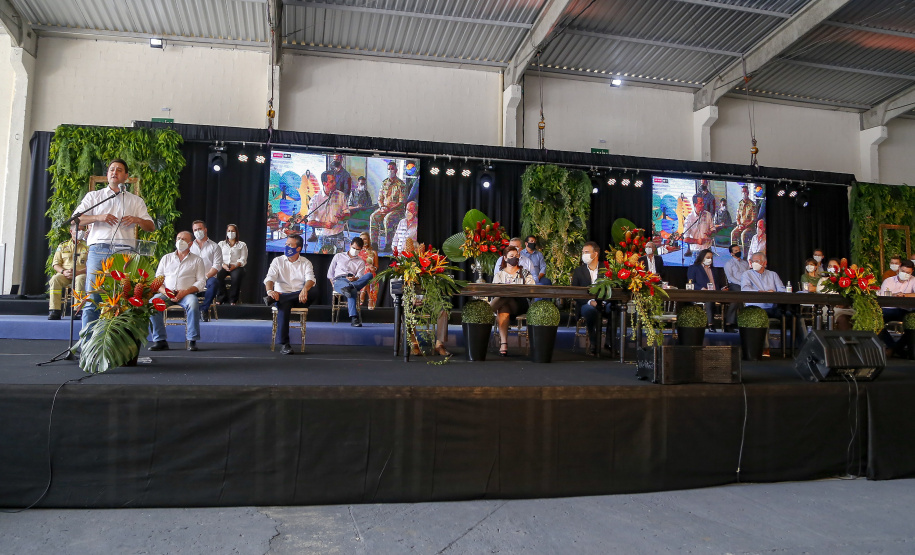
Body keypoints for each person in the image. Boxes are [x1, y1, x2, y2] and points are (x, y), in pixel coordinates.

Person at [72, 159, 155, 332]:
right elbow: (76, 220)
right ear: (107, 174)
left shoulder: (135, 201)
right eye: (111, 169)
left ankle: (119, 343)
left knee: (122, 298)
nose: (114, 172)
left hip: (125, 253)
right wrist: (98, 217)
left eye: (119, 170)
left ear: (125, 176)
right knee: (92, 298)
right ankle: (88, 345)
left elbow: (150, 226)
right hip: (99, 250)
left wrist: (138, 220)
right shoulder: (94, 197)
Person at [148, 231, 207, 352]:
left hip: (187, 294)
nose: (180, 241)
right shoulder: (166, 258)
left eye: (184, 239)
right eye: (178, 238)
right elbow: (157, 279)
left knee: (193, 303)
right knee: (152, 303)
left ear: (190, 244)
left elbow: (201, 282)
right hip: (166, 293)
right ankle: (160, 340)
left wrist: (185, 292)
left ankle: (192, 340)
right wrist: (166, 292)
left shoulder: (197, 260)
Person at [264, 235, 316, 355]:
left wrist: (304, 289)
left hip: (299, 297)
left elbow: (311, 279)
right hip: (283, 296)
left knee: (314, 290)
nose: (286, 247)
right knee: (284, 305)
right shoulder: (278, 261)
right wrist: (269, 292)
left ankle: (280, 298)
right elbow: (269, 278)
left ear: (298, 248)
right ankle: (285, 345)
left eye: (290, 245)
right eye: (286, 244)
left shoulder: (306, 262)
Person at [490, 245, 536, 356]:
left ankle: (486, 310)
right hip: (504, 303)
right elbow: (493, 291)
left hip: (520, 303)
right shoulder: (499, 274)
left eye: (516, 256)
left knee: (506, 294)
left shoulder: (524, 272)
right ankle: (504, 344)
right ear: (505, 258)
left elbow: (532, 288)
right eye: (511, 256)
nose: (514, 258)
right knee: (503, 307)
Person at [740, 252, 785, 356]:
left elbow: (782, 289)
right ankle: (765, 348)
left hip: (773, 307)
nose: (754, 263)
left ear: (764, 263)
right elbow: (745, 289)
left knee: (796, 317)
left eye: (757, 261)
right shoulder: (747, 274)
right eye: (752, 261)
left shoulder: (773, 274)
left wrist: (774, 293)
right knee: (762, 316)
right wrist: (760, 292)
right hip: (757, 308)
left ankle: (805, 346)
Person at [571, 241, 608, 356]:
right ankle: (594, 343)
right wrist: (590, 302)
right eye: (583, 252)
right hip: (585, 304)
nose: (584, 255)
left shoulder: (606, 269)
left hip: (604, 302)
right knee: (590, 311)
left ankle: (610, 343)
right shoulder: (578, 271)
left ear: (595, 254)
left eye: (586, 252)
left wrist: (604, 301)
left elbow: (611, 288)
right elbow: (575, 293)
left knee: (614, 309)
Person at [328, 236, 374, 327]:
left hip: (353, 281)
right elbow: (330, 274)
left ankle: (350, 286)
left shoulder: (360, 261)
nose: (355, 250)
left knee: (369, 275)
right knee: (352, 290)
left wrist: (354, 279)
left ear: (360, 250)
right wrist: (333, 285)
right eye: (353, 248)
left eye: (357, 249)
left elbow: (359, 276)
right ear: (350, 245)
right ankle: (354, 318)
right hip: (339, 280)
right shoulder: (338, 256)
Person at [48, 222, 88, 320]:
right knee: (55, 279)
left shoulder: (87, 246)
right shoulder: (63, 246)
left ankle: (77, 310)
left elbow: (91, 265)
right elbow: (55, 264)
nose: (81, 232)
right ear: (71, 231)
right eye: (78, 230)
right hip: (65, 274)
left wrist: (78, 272)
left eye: (83, 230)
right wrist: (63, 272)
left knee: (80, 280)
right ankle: (54, 310)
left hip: (81, 273)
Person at [877, 260, 915, 356]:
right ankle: (893, 346)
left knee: (911, 323)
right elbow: (883, 296)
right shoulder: (888, 280)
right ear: (899, 269)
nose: (905, 274)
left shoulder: (913, 280)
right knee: (876, 321)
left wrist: (904, 295)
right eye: (903, 271)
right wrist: (895, 295)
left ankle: (896, 348)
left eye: (908, 273)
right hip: (888, 309)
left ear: (912, 272)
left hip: (905, 310)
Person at [307, 171, 349, 253]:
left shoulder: (341, 195)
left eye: (334, 180)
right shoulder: (316, 199)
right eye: (331, 181)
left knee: (340, 261)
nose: (335, 183)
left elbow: (347, 214)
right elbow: (310, 222)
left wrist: (342, 217)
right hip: (323, 237)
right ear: (324, 183)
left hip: (339, 235)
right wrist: (324, 225)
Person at [190, 220, 223, 321]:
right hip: (192, 278)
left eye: (199, 229)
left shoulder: (215, 246)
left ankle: (203, 309)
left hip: (208, 277)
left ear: (205, 230)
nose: (197, 231)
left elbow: (217, 266)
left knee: (214, 283)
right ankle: (189, 311)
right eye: (195, 230)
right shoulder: (189, 246)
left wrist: (205, 277)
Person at [369, 161, 407, 251]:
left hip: (397, 211)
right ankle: (374, 244)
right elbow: (380, 198)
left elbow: (402, 202)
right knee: (373, 217)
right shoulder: (384, 182)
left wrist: (390, 209)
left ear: (396, 170)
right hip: (385, 209)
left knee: (387, 218)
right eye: (389, 169)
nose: (390, 171)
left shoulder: (401, 185)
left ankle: (388, 244)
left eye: (392, 169)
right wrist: (382, 207)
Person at [687, 249, 725, 331]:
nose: (710, 259)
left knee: (733, 300)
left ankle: (729, 325)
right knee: (709, 300)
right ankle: (711, 324)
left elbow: (719, 283)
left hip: (717, 293)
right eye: (708, 257)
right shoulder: (694, 268)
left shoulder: (714, 270)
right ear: (702, 257)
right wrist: (702, 288)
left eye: (711, 258)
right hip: (703, 293)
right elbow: (691, 283)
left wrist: (723, 288)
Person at [815, 259, 853, 330]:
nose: (832, 268)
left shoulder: (846, 280)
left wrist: (845, 304)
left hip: (846, 308)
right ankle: (846, 340)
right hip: (831, 309)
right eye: (830, 266)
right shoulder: (823, 280)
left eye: (834, 266)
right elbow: (823, 294)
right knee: (843, 319)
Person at [216, 223, 248, 305]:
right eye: (229, 231)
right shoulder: (221, 244)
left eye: (232, 231)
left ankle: (233, 299)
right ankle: (221, 297)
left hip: (237, 266)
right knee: (218, 275)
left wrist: (236, 265)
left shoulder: (242, 245)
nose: (230, 233)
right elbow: (217, 257)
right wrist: (223, 265)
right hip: (223, 265)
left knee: (236, 277)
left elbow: (243, 259)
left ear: (236, 232)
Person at [723, 243, 749, 332]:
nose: (738, 252)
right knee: (738, 298)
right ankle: (729, 323)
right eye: (736, 251)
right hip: (734, 285)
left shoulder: (745, 263)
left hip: (746, 285)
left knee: (741, 299)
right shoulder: (728, 264)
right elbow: (730, 277)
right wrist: (740, 283)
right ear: (731, 253)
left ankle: (744, 321)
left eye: (739, 250)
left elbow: (749, 275)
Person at [358, 231, 379, 309]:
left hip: (371, 273)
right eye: (361, 239)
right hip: (359, 274)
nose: (363, 241)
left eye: (365, 239)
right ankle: (370, 298)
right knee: (367, 271)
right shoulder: (357, 252)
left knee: (369, 271)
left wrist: (374, 268)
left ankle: (363, 292)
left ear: (368, 240)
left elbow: (376, 266)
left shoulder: (373, 252)